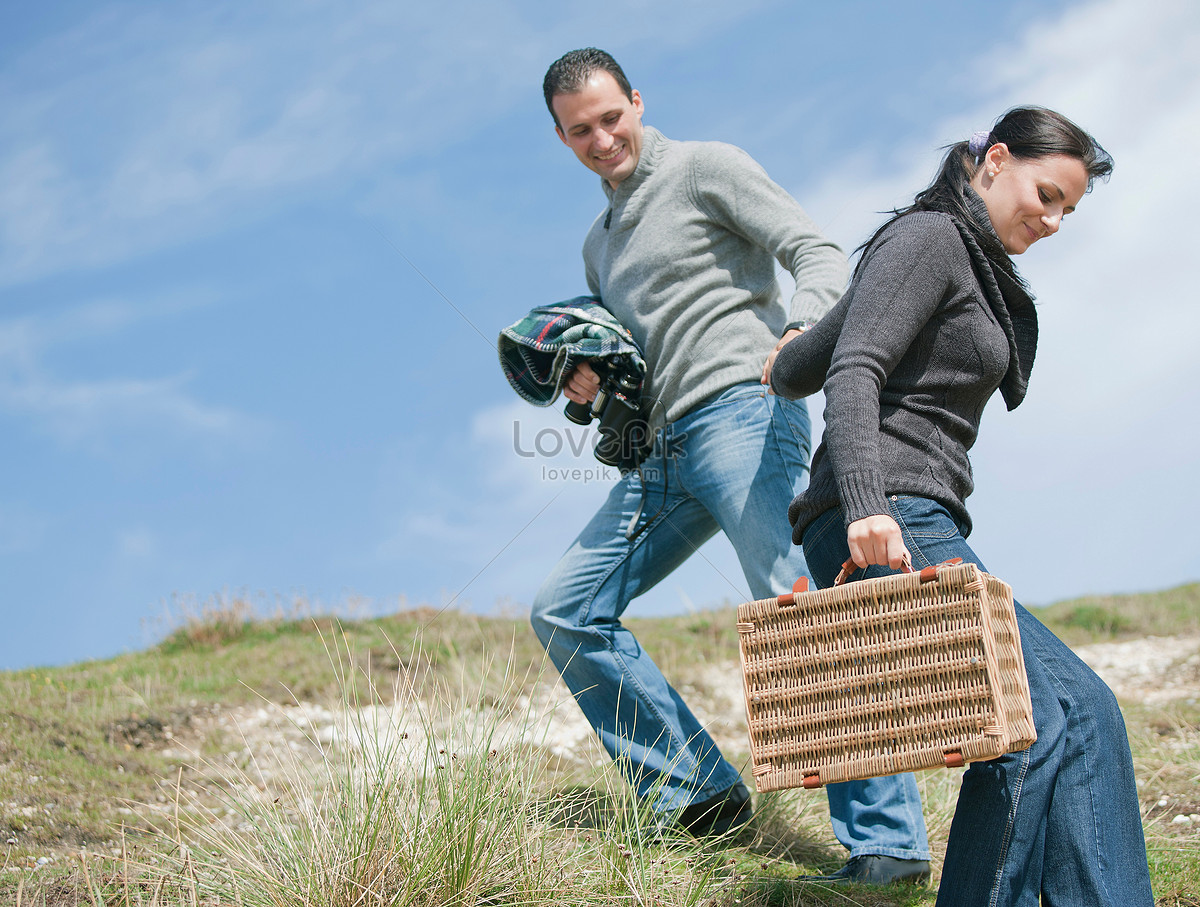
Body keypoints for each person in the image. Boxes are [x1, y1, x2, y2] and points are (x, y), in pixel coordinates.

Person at [529, 47, 931, 884]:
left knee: (802, 616)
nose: (602, 139)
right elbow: (631, 354)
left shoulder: (708, 168)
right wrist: (590, 376)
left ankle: (887, 844)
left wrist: (801, 336)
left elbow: (815, 249)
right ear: (561, 140)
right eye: (580, 131)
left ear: (636, 101)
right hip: (663, 450)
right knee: (565, 609)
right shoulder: (596, 247)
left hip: (747, 416)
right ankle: (696, 794)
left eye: (611, 117)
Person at [771, 107, 1154, 904]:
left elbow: (818, 358)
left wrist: (786, 355)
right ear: (996, 159)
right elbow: (856, 372)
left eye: (1068, 212)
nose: (1052, 220)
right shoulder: (930, 239)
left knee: (1084, 708)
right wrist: (869, 503)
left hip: (915, 513)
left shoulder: (952, 256)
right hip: (887, 513)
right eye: (1046, 195)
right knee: (1028, 726)